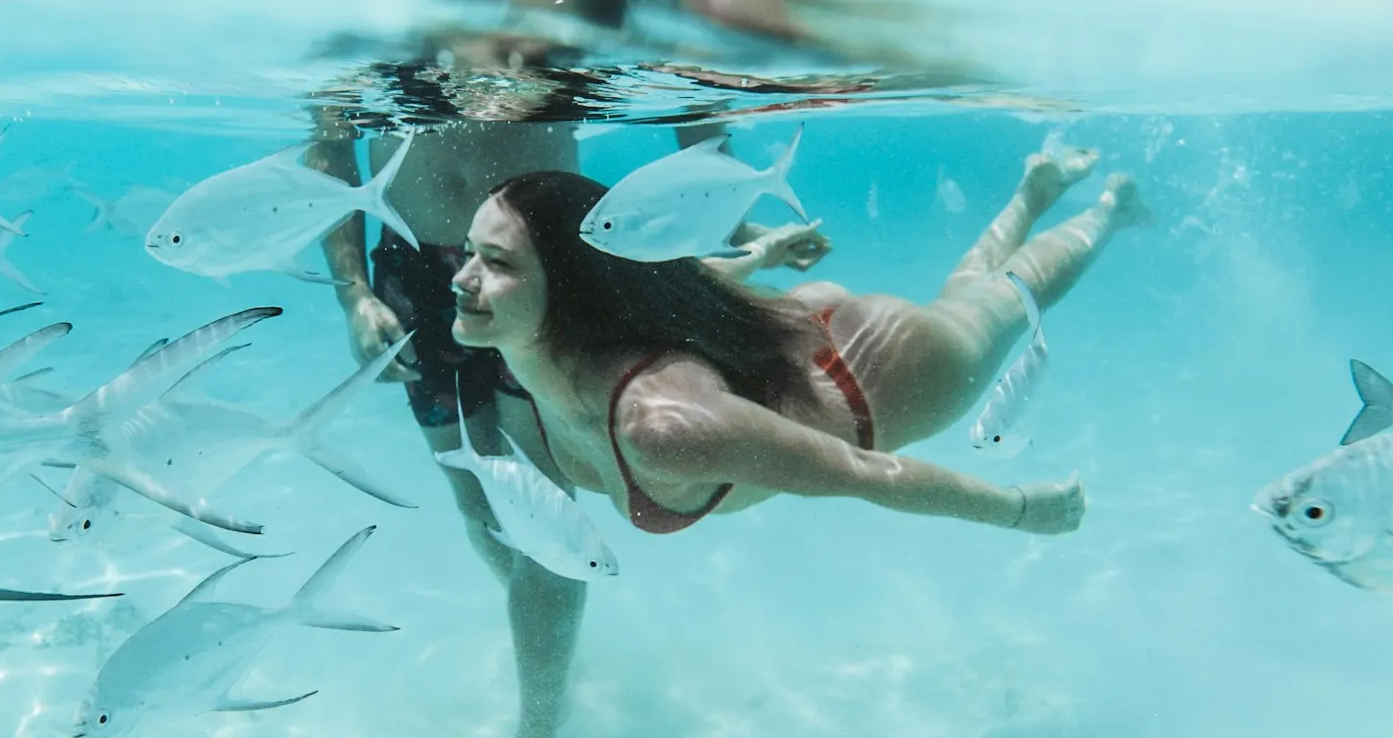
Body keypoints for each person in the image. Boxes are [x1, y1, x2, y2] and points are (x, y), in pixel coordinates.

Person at [304, 37, 822, 738]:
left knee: (547, 523)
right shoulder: (380, 45)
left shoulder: (548, 36)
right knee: (481, 511)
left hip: (546, 275)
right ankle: (540, 635)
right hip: (412, 272)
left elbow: (687, 94)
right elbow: (330, 152)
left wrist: (733, 208)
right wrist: (351, 294)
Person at [449, 144, 1149, 546]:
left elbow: (864, 472)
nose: (460, 278)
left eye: (497, 261)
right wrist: (759, 255)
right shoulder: (537, 356)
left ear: (570, 290)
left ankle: (1111, 210)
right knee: (969, 298)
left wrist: (1022, 510)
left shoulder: (661, 429)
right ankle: (1034, 190)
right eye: (471, 252)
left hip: (880, 375)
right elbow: (657, 288)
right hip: (793, 332)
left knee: (1004, 299)